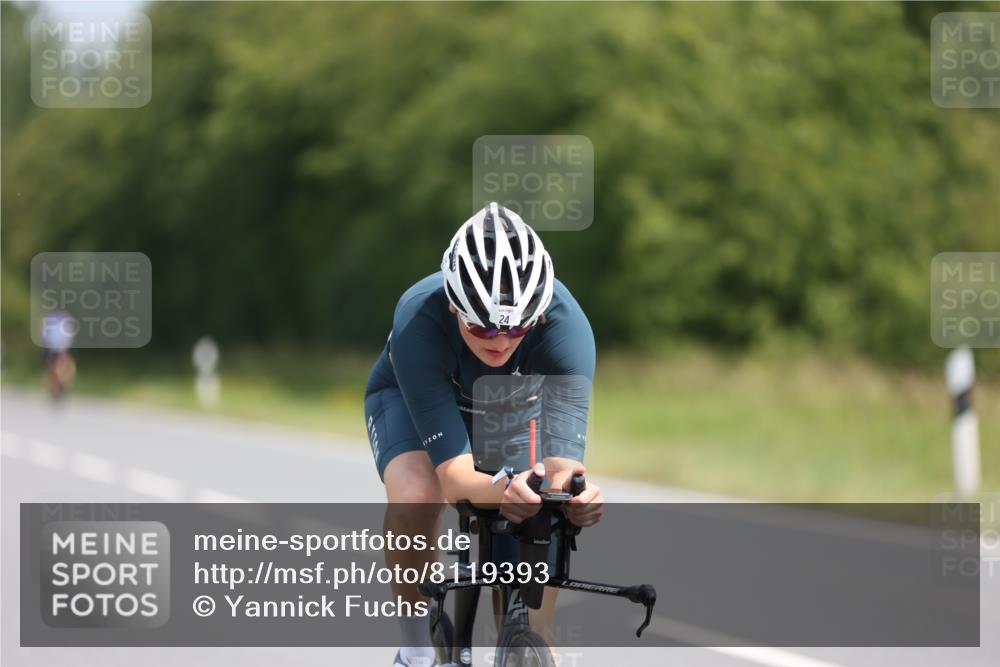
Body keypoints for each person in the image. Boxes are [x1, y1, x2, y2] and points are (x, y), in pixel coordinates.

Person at [364, 202, 604, 667]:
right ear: (453, 304)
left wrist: (575, 496)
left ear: (539, 314)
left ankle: (527, 644)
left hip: (509, 406)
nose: (501, 341)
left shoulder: (568, 330)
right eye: (481, 326)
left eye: (518, 328)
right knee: (418, 496)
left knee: (540, 517)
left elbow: (563, 467)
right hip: (410, 400)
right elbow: (454, 479)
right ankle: (415, 651)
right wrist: (505, 487)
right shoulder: (418, 317)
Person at [41, 309, 77, 402]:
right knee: (52, 370)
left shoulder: (62, 318)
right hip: (52, 348)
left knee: (60, 369)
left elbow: (68, 334)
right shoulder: (52, 317)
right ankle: (54, 389)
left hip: (59, 348)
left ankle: (60, 387)